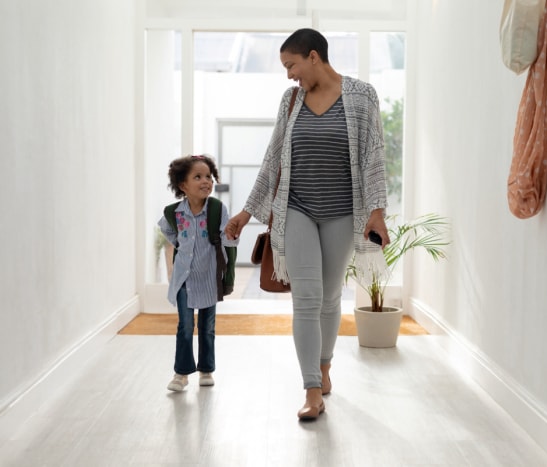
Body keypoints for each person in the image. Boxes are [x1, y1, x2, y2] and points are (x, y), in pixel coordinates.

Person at [225, 28, 390, 420]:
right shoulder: (291, 100)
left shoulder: (362, 96)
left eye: (291, 65)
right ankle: (311, 389)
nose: (289, 75)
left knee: (330, 297)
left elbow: (373, 156)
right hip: (295, 210)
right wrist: (247, 212)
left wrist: (377, 211)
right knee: (308, 297)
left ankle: (325, 366)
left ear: (313, 57)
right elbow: (272, 159)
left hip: (341, 213)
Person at [158, 154, 239, 391]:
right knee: (185, 325)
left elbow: (226, 239)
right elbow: (169, 232)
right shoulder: (175, 213)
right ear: (183, 185)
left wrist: (232, 237)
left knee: (207, 326)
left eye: (208, 177)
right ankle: (181, 373)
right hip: (184, 279)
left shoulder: (217, 209)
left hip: (208, 278)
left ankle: (206, 369)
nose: (206, 181)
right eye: (198, 177)